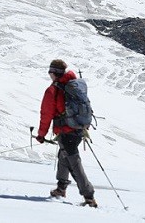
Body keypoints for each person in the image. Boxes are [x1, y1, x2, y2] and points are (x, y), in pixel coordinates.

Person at [36, 59, 96, 207]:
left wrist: (41, 134)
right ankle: (61, 188)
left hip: (66, 129)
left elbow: (46, 114)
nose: (49, 75)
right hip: (79, 128)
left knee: (73, 161)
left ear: (54, 73)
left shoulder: (53, 90)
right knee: (63, 155)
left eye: (50, 72)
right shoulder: (74, 84)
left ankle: (89, 196)